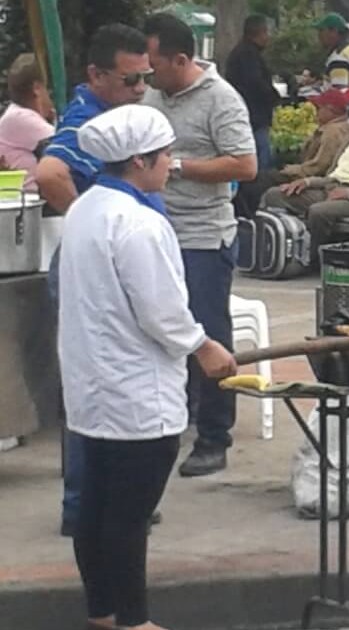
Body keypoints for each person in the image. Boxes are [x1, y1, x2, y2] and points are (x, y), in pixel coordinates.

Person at [62, 103, 237, 630]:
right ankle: (133, 622)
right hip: (136, 391)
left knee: (95, 509)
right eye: (166, 156)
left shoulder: (86, 208)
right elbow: (163, 312)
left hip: (92, 388)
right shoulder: (138, 223)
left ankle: (102, 611)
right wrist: (205, 348)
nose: (171, 164)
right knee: (128, 516)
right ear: (140, 161)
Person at [35, 23, 154, 539]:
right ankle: (85, 507)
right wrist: (93, 221)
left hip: (115, 266)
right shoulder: (87, 120)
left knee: (115, 390)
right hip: (96, 273)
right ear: (96, 75)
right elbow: (48, 175)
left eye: (145, 78)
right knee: (95, 391)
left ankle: (112, 503)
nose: (140, 89)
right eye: (130, 80)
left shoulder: (119, 114)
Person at [143, 13, 257, 477]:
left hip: (204, 237)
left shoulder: (220, 99)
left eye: (154, 65)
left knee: (207, 334)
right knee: (160, 332)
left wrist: (178, 167)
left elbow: (246, 165)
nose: (148, 75)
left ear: (181, 59)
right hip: (156, 232)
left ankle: (214, 436)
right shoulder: (152, 94)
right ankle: (181, 416)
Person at [264, 92, 349, 265]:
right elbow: (333, 176)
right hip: (331, 190)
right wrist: (307, 182)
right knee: (275, 195)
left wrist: (348, 193)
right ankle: (278, 250)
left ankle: (314, 259)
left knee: (319, 211)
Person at [225, 14, 281, 171]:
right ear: (259, 33)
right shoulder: (248, 55)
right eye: (266, 33)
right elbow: (255, 83)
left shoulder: (243, 53)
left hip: (250, 114)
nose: (268, 37)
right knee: (261, 158)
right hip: (253, 116)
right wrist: (274, 97)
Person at [0, 53, 55, 190]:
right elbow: (66, 144)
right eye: (47, 90)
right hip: (26, 202)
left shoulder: (16, 116)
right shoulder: (20, 117)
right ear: (37, 89)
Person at [278, 89, 349, 181]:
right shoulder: (345, 127)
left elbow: (321, 165)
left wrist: (295, 169)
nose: (316, 112)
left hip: (315, 181)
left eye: (318, 108)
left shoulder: (332, 131)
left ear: (330, 110)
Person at [313, 12, 349, 92]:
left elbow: (339, 96)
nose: (319, 35)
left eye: (321, 30)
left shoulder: (339, 58)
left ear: (334, 32)